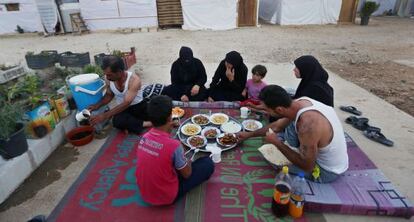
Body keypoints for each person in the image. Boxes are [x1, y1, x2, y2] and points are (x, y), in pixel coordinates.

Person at [238, 85, 348, 183]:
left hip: (326, 171)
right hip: (317, 148)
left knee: (269, 156)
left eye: (267, 110)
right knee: (289, 124)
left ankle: (288, 148)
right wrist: (249, 135)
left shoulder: (308, 125)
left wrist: (277, 143)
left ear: (279, 109)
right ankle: (291, 147)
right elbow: (277, 126)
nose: (267, 113)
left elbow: (307, 166)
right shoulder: (301, 102)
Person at [136, 95, 215, 205]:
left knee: (168, 161)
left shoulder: (144, 138)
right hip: (167, 196)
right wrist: (183, 154)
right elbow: (187, 174)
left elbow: (160, 149)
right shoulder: (174, 145)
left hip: (145, 194)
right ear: (169, 117)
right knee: (207, 164)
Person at [89, 56, 152, 134]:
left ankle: (138, 124)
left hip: (138, 107)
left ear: (119, 72)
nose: (107, 77)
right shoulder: (108, 79)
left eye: (109, 75)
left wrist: (105, 116)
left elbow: (126, 103)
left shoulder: (134, 80)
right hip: (122, 109)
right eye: (105, 74)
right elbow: (109, 95)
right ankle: (144, 124)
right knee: (116, 121)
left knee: (156, 114)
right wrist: (97, 105)